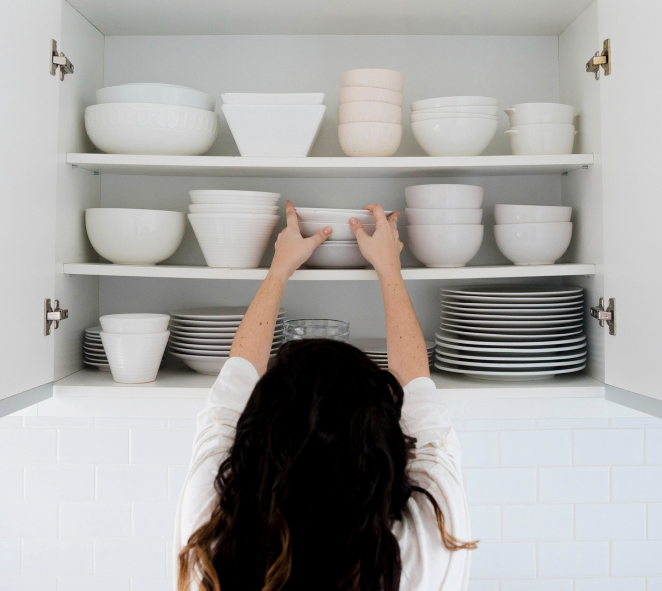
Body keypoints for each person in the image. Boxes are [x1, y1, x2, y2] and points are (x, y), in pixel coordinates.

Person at [174, 201, 475, 591]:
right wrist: (388, 268)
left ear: (257, 431)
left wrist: (280, 267)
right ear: (380, 440)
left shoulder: (215, 529)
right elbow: (416, 389)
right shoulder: (428, 537)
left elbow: (233, 385)